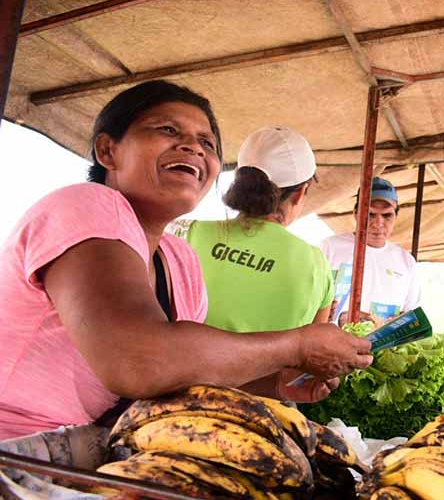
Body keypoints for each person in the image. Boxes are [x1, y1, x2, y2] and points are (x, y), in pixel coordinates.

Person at [0, 81, 371, 440]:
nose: (194, 148)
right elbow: (139, 359)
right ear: (108, 151)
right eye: (167, 129)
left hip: (88, 459)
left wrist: (274, 381)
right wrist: (296, 346)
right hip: (16, 453)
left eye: (207, 143)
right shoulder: (86, 206)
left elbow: (180, 371)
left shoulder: (181, 260)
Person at [177, 126, 333, 334]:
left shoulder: (187, 233)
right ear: (300, 193)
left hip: (182, 364)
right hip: (269, 367)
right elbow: (315, 347)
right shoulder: (317, 264)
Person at [320, 177, 421, 326]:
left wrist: (400, 323)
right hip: (333, 345)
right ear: (356, 214)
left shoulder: (406, 261)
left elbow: (413, 314)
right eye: (370, 214)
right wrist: (341, 318)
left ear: (396, 216)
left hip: (384, 347)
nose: (378, 224)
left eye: (387, 215)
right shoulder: (329, 248)